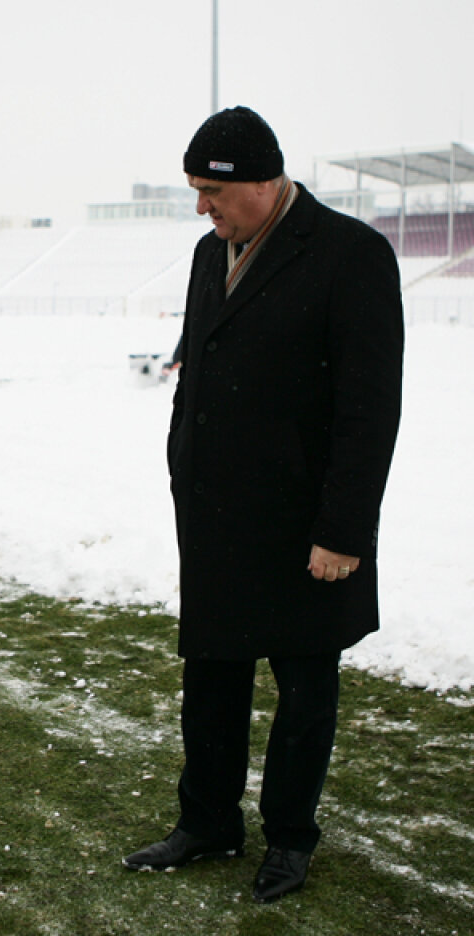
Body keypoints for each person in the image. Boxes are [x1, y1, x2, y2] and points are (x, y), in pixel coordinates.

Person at [122, 107, 404, 903]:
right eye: (195, 192)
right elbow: (202, 365)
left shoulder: (351, 254)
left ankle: (289, 837)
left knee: (304, 691)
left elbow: (369, 408)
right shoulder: (208, 256)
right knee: (210, 681)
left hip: (307, 525)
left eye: (212, 191)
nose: (202, 208)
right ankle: (208, 822)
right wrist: (183, 462)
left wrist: (344, 530)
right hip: (216, 516)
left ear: (261, 180)